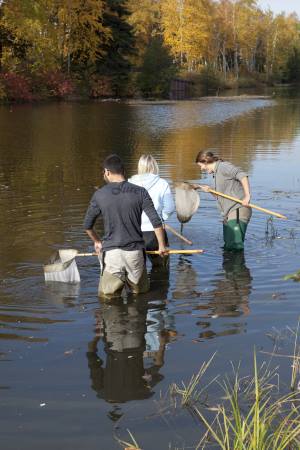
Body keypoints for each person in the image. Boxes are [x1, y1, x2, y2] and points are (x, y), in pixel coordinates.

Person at [84, 154, 168, 297]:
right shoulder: (141, 192)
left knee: (108, 299)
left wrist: (97, 242)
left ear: (107, 172)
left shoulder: (100, 194)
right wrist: (161, 246)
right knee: (139, 297)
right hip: (135, 254)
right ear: (123, 171)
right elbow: (156, 221)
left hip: (111, 254)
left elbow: (87, 225)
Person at [195, 150, 252, 251]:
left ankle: (237, 266)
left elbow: (242, 175)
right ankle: (228, 267)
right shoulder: (215, 175)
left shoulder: (223, 166)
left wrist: (247, 196)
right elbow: (219, 197)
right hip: (228, 213)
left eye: (201, 166)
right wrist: (210, 190)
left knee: (235, 246)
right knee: (228, 246)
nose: (201, 169)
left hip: (238, 209)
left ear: (206, 161)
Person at [129, 154, 175, 263]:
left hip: (134, 232)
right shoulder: (162, 183)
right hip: (155, 232)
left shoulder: (129, 183)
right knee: (160, 269)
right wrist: (162, 218)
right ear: (155, 166)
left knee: (137, 270)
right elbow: (169, 207)